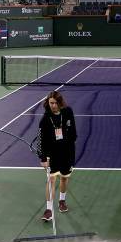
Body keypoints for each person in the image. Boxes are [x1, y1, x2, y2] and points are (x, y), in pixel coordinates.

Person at [39, 91, 77, 222]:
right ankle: (49, 210)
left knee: (64, 178)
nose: (53, 105)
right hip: (52, 154)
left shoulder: (67, 112)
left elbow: (74, 133)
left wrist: (70, 146)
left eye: (55, 103)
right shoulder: (45, 119)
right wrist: (43, 159)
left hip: (67, 152)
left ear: (60, 103)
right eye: (51, 103)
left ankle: (62, 201)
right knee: (51, 180)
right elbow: (41, 141)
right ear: (48, 103)